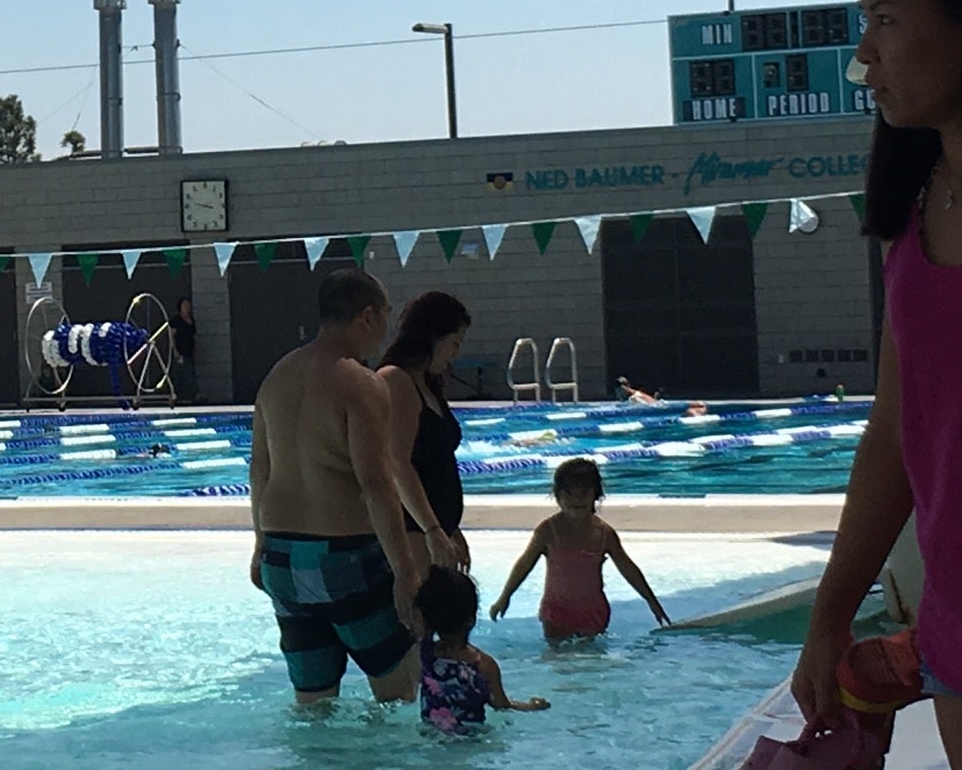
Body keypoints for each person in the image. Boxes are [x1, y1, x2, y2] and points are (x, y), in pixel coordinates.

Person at [791, 0, 962, 767]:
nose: (864, 53)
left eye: (886, 20)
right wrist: (831, 612)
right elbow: (894, 433)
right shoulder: (914, 215)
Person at [250, 267, 422, 706]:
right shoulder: (361, 383)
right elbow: (376, 482)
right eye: (385, 314)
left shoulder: (276, 377)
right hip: (344, 559)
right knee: (400, 692)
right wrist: (405, 571)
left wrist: (259, 547)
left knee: (313, 708)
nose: (386, 328)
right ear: (367, 316)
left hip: (282, 560)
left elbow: (259, 473)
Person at [488, 458, 670, 639]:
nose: (576, 498)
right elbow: (524, 564)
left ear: (596, 494)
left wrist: (651, 602)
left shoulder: (604, 534)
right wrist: (504, 597)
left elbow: (628, 568)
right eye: (569, 492)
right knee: (557, 660)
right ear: (557, 495)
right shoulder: (548, 531)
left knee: (589, 662)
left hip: (593, 611)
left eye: (584, 492)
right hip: (556, 611)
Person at [376, 291, 472, 574]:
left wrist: (450, 529)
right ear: (433, 336)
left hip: (433, 529)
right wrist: (431, 529)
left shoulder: (428, 385)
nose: (456, 352)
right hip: (412, 530)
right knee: (420, 615)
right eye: (454, 343)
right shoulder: (396, 380)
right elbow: (397, 463)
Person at [416, 566, 550, 733]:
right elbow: (503, 706)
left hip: (429, 736)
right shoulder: (484, 666)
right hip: (473, 741)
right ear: (472, 618)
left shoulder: (424, 655)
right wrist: (532, 706)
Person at [168, 296, 199, 403]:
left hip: (189, 351)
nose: (186, 307)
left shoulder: (191, 321)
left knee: (189, 375)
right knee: (178, 375)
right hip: (179, 352)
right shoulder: (176, 320)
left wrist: (195, 351)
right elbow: (171, 336)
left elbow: (193, 336)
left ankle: (190, 397)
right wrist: (175, 350)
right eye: (184, 305)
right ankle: (176, 397)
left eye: (188, 305)